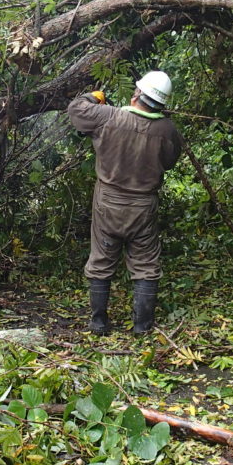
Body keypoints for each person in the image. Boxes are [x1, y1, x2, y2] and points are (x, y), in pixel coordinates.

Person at [67, 71, 184, 335]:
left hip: (108, 202)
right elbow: (169, 161)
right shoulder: (167, 130)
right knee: (145, 264)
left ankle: (98, 323)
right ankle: (142, 327)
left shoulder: (108, 116)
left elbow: (76, 110)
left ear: (138, 95)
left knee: (101, 259)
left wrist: (94, 96)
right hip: (143, 206)